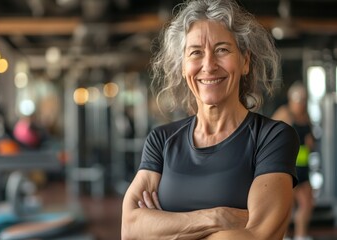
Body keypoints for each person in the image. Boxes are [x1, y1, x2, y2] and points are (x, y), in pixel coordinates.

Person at [121, 0, 300, 239]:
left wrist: (163, 229)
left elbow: (258, 236)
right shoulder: (161, 141)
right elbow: (130, 229)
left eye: (222, 50)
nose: (209, 65)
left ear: (245, 61)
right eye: (195, 52)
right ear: (184, 67)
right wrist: (218, 218)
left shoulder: (272, 138)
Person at [272, 81, 315, 240]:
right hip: (288, 168)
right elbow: (269, 135)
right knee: (287, 207)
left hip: (303, 166)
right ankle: (284, 236)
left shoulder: (306, 116)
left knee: (307, 204)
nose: (301, 103)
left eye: (303, 100)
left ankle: (301, 235)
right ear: (291, 99)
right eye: (298, 99)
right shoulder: (285, 114)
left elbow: (309, 139)